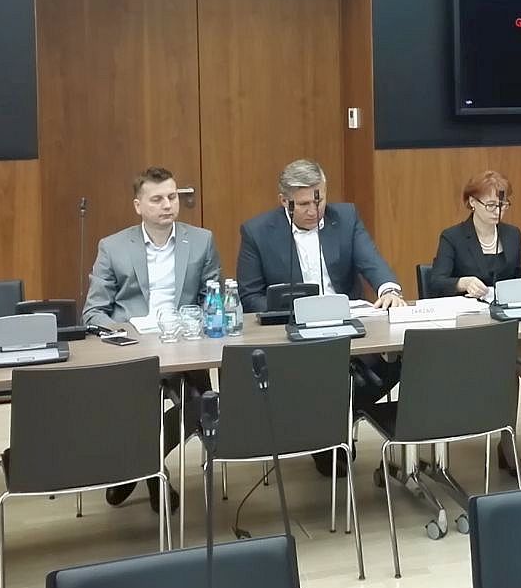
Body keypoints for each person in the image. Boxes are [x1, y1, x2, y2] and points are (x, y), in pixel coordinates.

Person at [237, 158, 405, 475]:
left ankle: (330, 421)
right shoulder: (257, 232)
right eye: (303, 204)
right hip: (295, 334)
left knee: (401, 360)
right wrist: (292, 312)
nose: (314, 211)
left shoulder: (346, 217)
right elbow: (250, 297)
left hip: (348, 329)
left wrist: (389, 289)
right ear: (284, 201)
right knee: (318, 375)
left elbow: (371, 261)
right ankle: (326, 429)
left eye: (319, 200)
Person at [83, 166, 220, 513]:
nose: (167, 205)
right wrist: (124, 334)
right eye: (157, 199)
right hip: (134, 350)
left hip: (185, 348)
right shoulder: (113, 247)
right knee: (133, 403)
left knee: (200, 406)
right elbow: (93, 312)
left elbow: (213, 299)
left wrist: (199, 322)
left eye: (172, 197)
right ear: (138, 206)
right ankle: (152, 471)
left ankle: (139, 464)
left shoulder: (201, 240)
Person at [428, 170, 521, 479]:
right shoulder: (453, 237)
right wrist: (463, 282)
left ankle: (510, 442)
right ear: (471, 202)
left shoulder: (511, 235)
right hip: (468, 330)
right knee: (511, 347)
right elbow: (436, 281)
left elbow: (519, 275)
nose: (498, 211)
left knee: (509, 348)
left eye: (503, 204)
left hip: (504, 322)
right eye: (491, 205)